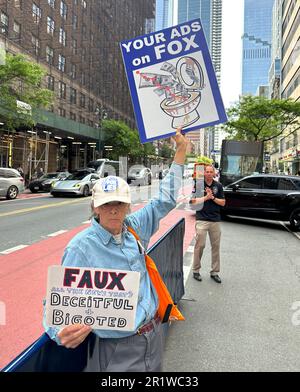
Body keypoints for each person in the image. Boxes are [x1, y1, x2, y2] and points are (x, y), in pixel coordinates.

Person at [43, 128, 189, 372]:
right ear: (95, 207)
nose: (113, 210)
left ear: (128, 206)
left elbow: (164, 199)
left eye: (119, 204)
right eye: (106, 204)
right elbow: (56, 299)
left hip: (153, 335)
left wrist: (181, 151)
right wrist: (59, 331)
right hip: (117, 349)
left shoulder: (134, 227)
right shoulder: (81, 247)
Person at [191, 165, 225, 284]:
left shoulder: (218, 186)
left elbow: (223, 203)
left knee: (215, 247)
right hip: (202, 219)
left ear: (214, 173)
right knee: (200, 245)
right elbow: (193, 202)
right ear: (204, 173)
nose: (209, 173)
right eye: (207, 172)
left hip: (215, 220)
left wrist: (213, 197)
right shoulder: (199, 185)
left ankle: (214, 272)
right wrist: (206, 197)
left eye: (211, 172)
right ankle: (196, 270)